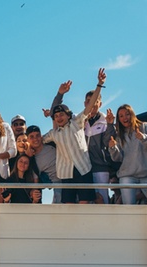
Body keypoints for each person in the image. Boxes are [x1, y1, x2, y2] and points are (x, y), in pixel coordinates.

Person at [43, 69, 106, 204]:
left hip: (83, 168)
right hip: (66, 173)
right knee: (69, 205)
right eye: (56, 116)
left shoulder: (77, 122)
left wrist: (99, 84)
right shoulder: (53, 134)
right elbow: (38, 141)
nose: (59, 117)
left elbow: (90, 105)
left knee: (84, 203)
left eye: (62, 115)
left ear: (68, 115)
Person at [51, 84, 117, 204]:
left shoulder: (105, 122)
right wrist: (60, 94)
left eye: (94, 101)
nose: (90, 103)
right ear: (84, 103)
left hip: (98, 168)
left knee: (101, 200)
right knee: (78, 202)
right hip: (78, 168)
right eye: (87, 101)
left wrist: (100, 84)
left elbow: (109, 144)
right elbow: (55, 114)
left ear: (100, 104)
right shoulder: (75, 121)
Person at [109, 103, 147, 205]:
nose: (125, 118)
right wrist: (112, 148)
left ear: (132, 114)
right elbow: (117, 158)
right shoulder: (119, 134)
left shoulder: (145, 126)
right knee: (129, 206)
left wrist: (143, 138)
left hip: (146, 174)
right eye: (121, 116)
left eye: (127, 114)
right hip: (127, 175)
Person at [26, 124, 61, 203]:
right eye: (31, 137)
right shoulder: (31, 160)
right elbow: (35, 179)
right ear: (27, 139)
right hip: (57, 183)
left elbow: (57, 131)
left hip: (69, 176)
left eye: (37, 135)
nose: (35, 139)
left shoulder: (51, 144)